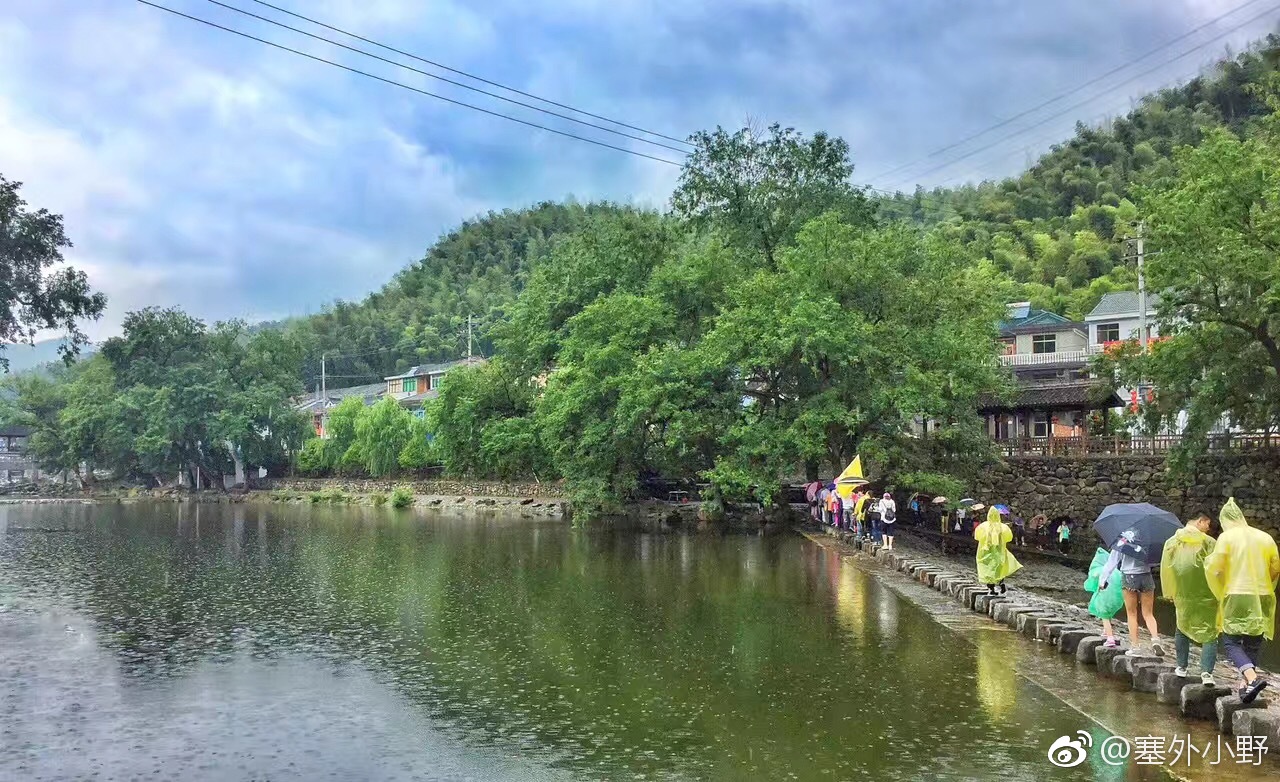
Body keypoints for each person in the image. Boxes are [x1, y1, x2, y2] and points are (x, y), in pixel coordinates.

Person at [1203, 498, 1280, 705]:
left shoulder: (1227, 538)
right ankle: (1245, 688)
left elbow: (1216, 568)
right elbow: (1275, 568)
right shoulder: (1265, 537)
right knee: (1254, 642)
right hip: (1263, 594)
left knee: (1231, 641)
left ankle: (1253, 680)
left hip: (1237, 593)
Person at [1160, 512, 1220, 686]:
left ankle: (1181, 667)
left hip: (1182, 592)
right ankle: (1206, 673)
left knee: (1182, 627)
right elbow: (1216, 569)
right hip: (1207, 593)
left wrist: (1169, 592)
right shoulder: (1209, 543)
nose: (1208, 530)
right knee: (1211, 632)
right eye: (1207, 525)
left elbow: (1166, 569)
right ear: (1201, 521)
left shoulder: (1172, 542)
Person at [1099, 529, 1165, 657]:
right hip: (1146, 575)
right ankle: (1155, 639)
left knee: (1132, 613)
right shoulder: (1148, 539)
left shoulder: (1122, 539)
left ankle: (1135, 646)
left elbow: (1112, 562)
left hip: (1129, 576)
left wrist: (1103, 580)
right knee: (1148, 613)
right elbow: (1153, 561)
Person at [974, 506, 1021, 595]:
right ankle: (1001, 582)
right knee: (999, 568)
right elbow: (1009, 538)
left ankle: (991, 589)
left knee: (988, 569)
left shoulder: (983, 526)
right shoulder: (1003, 527)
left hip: (986, 552)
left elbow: (977, 536)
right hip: (999, 552)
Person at [1084, 547, 1124, 648]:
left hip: (1105, 596)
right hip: (1118, 597)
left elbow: (1093, 580)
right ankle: (1106, 632)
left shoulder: (1101, 570)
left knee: (1104, 616)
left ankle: (1110, 638)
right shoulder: (1117, 572)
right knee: (1109, 614)